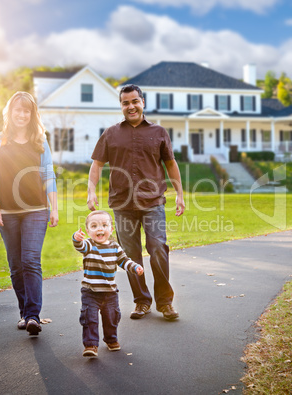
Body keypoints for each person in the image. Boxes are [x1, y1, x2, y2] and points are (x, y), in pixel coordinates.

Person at [87, 84, 185, 321]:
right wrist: (91, 191)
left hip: (153, 203)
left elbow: (170, 164)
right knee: (130, 256)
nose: (130, 106)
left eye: (134, 101)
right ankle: (141, 301)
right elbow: (97, 164)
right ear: (121, 106)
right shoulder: (110, 133)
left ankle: (165, 302)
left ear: (143, 103)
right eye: (125, 103)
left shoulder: (159, 132)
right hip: (122, 205)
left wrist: (179, 193)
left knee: (158, 249)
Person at [0, 91, 58, 336]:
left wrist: (54, 207)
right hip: (6, 212)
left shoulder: (40, 141)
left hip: (36, 209)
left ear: (32, 114)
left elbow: (49, 175)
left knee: (30, 260)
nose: (22, 114)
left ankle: (33, 315)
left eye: (27, 111)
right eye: (18, 109)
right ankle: (24, 312)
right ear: (10, 111)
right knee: (16, 265)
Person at [72, 210, 144, 357]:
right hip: (90, 291)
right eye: (94, 226)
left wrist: (135, 267)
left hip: (110, 292)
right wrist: (76, 238)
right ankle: (91, 345)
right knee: (89, 318)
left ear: (111, 229)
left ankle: (111, 339)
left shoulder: (115, 247)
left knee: (111, 317)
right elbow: (79, 246)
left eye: (104, 225)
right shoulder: (89, 245)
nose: (100, 229)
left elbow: (124, 261)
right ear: (88, 231)